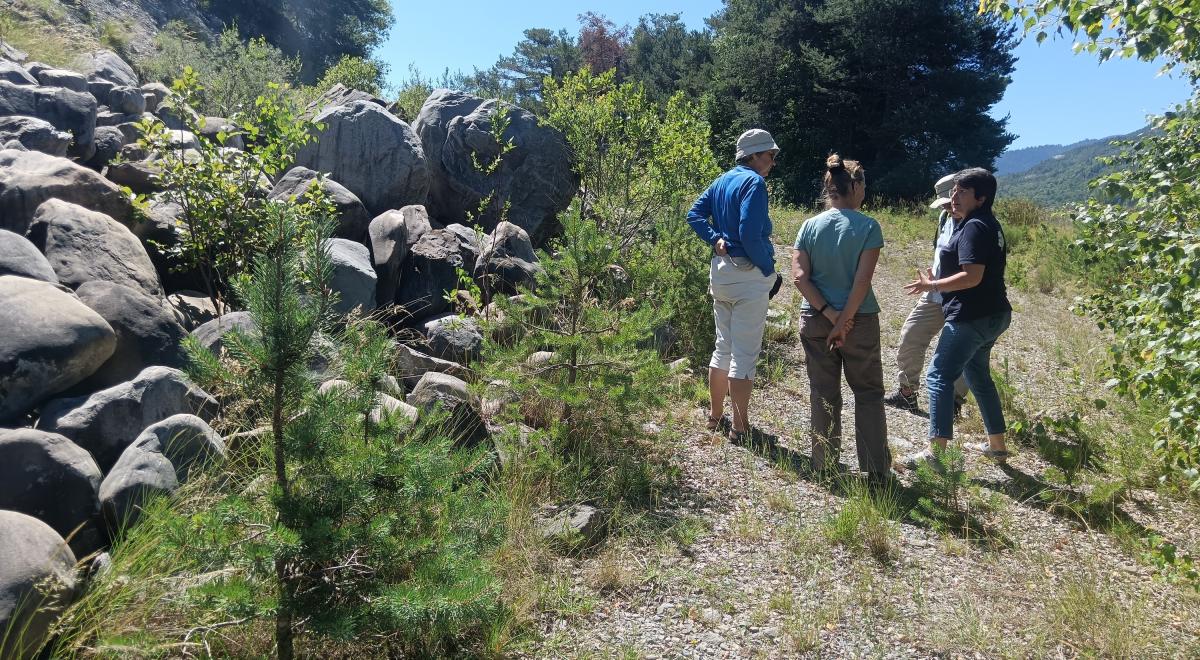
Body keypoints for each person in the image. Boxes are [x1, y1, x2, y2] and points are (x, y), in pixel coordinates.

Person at [902, 168, 1012, 469]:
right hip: (994, 314)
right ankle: (997, 448)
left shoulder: (975, 226)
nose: (954, 196)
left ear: (981, 198)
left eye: (962, 192)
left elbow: (972, 276)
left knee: (938, 375)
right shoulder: (988, 223)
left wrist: (932, 285)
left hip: (971, 316)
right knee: (978, 376)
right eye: (954, 191)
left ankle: (935, 454)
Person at [791, 154, 891, 482]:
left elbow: (799, 277)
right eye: (864, 184)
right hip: (859, 322)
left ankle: (824, 465)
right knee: (868, 393)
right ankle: (875, 471)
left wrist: (831, 315)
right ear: (856, 186)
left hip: (815, 319)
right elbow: (862, 282)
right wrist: (844, 320)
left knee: (822, 392)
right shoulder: (868, 227)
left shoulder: (808, 226)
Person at [687, 128, 781, 441]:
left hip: (722, 273)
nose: (773, 161)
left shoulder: (721, 181)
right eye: (770, 155)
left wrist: (714, 239)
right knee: (744, 354)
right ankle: (740, 428)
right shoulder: (754, 182)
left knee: (723, 347)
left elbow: (694, 214)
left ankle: (715, 417)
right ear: (754, 155)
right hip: (748, 275)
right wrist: (768, 269)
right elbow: (750, 234)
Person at [883, 174, 969, 416]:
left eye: (949, 202)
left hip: (964, 298)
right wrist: (933, 279)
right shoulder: (944, 218)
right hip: (935, 292)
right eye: (943, 204)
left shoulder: (976, 225)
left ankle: (952, 402)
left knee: (960, 351)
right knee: (911, 335)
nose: (947, 208)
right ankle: (907, 393)